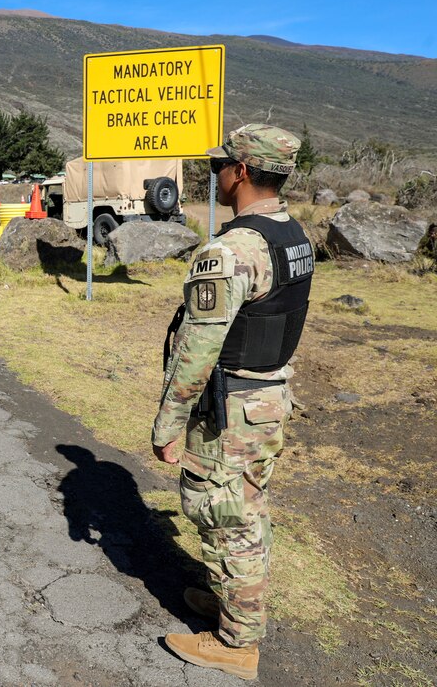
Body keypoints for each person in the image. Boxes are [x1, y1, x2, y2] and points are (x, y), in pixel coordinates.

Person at [152, 124, 313, 680]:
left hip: (233, 407)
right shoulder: (293, 236)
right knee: (246, 504)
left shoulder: (231, 250)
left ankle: (238, 642)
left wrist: (168, 424)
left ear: (241, 172)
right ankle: (233, 600)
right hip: (268, 399)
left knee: (223, 512)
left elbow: (197, 352)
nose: (214, 173)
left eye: (221, 165)